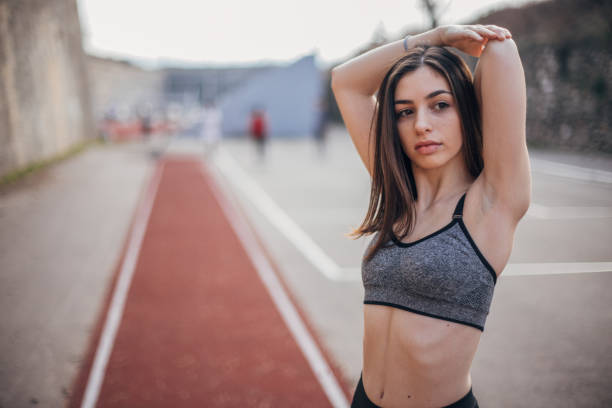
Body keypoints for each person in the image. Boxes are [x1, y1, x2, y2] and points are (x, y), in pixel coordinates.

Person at [331, 24, 530, 408]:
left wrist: (461, 45)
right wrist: (433, 38)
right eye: (405, 112)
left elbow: (502, 50)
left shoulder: (491, 203)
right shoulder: (398, 192)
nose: (421, 124)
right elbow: (346, 82)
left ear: (467, 110)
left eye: (440, 104)